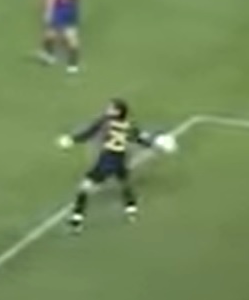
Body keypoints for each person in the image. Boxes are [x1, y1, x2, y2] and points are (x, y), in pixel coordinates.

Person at [58, 98, 176, 232]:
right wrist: (157, 144)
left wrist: (71, 140)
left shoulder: (105, 122)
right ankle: (131, 209)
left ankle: (76, 220)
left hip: (107, 161)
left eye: (111, 108)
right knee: (124, 182)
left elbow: (88, 133)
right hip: (120, 159)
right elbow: (141, 139)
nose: (107, 109)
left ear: (118, 112)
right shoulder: (128, 125)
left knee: (84, 188)